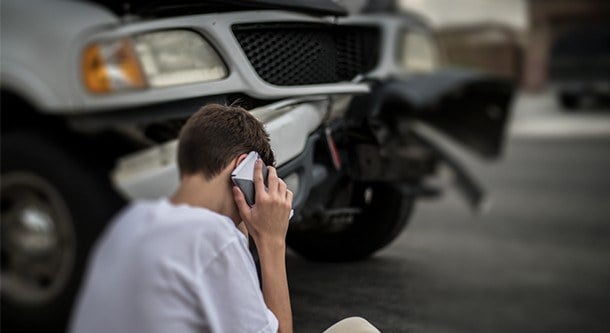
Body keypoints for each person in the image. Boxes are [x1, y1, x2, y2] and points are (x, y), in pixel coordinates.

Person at [69, 104, 380, 333]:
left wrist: (243, 227)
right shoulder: (211, 236)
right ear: (244, 169)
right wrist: (272, 240)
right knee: (358, 330)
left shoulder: (130, 223)